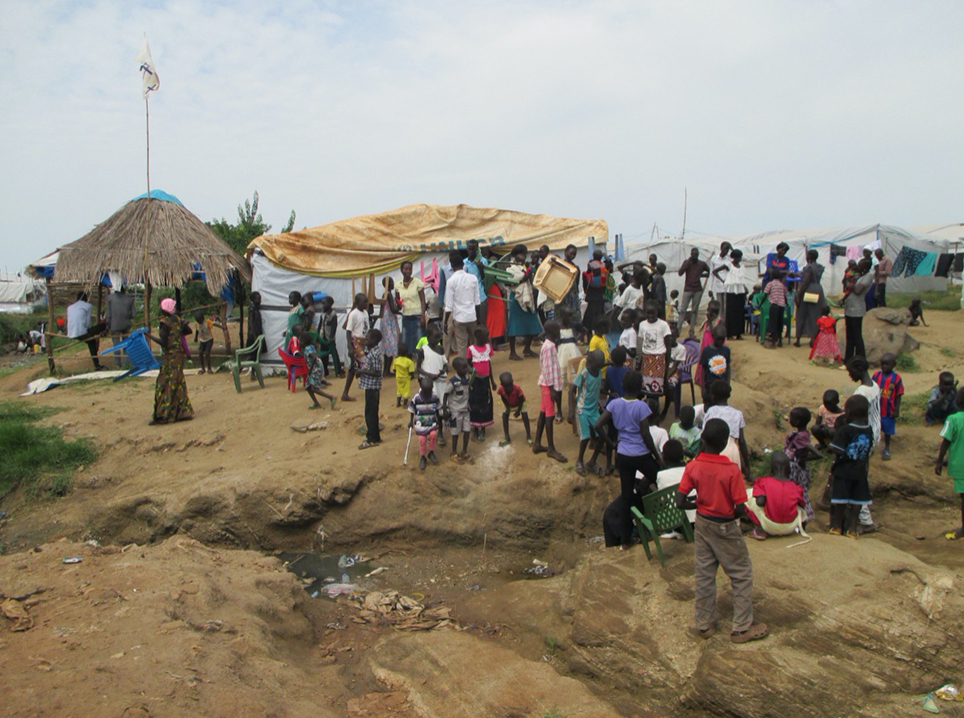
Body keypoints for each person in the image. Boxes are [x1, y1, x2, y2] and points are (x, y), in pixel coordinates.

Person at [676, 418, 768, 643]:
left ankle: (705, 624)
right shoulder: (731, 470)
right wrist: (734, 515)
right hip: (725, 525)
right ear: (725, 443)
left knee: (705, 574)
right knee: (741, 573)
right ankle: (741, 628)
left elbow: (679, 501)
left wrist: (697, 504)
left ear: (703, 439)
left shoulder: (693, 465)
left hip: (702, 523)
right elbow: (738, 507)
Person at [596, 370, 662, 549]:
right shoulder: (641, 406)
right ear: (640, 386)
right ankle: (665, 521)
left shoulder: (615, 404)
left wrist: (611, 443)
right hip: (641, 455)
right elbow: (646, 435)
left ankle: (626, 539)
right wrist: (657, 456)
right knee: (660, 478)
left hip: (623, 456)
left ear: (623, 386)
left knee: (626, 497)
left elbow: (598, 425)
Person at [828, 394, 874, 538]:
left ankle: (837, 527)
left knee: (840, 500)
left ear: (848, 412)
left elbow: (837, 449)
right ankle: (852, 529)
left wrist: (829, 444)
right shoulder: (868, 429)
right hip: (860, 471)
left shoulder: (845, 430)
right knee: (857, 502)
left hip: (843, 471)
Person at [848, 355, 881, 532]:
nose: (849, 375)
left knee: (857, 477)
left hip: (863, 438)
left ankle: (865, 521)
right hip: (874, 434)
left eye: (850, 371)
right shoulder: (874, 385)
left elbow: (853, 416)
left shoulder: (862, 392)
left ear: (859, 369)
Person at [148, 298, 193, 425]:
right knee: (178, 382)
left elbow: (163, 343)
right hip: (179, 355)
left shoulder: (165, 323)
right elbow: (188, 331)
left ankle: (165, 414)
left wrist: (149, 335)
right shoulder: (178, 320)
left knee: (164, 383)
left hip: (170, 357)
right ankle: (182, 412)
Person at [745, 451, 806, 541]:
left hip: (768, 526)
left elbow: (760, 502)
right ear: (789, 469)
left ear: (771, 468)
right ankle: (801, 530)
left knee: (747, 496)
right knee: (799, 508)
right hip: (790, 528)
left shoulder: (763, 481)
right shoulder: (795, 486)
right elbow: (802, 505)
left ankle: (759, 530)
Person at [532, 320, 567, 463]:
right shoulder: (548, 347)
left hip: (548, 385)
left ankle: (537, 444)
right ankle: (551, 448)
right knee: (549, 416)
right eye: (558, 329)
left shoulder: (550, 345)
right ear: (553, 332)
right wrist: (552, 389)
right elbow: (547, 368)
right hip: (548, 386)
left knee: (542, 413)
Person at [568, 349, 605, 476]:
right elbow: (571, 390)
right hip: (582, 409)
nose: (595, 368)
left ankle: (592, 462)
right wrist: (571, 411)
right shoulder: (584, 373)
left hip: (594, 409)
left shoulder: (599, 371)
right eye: (594, 366)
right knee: (585, 438)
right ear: (589, 362)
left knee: (602, 436)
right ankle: (579, 460)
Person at [703, 380, 750, 478]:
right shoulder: (738, 413)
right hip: (732, 451)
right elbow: (741, 441)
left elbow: (703, 437)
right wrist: (747, 465)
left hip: (714, 450)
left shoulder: (711, 411)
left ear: (713, 396)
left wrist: (699, 455)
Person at [935, 387, 964, 540]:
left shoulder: (952, 419)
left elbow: (945, 441)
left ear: (958, 401)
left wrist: (939, 461)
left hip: (961, 465)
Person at [443, 251, 481, 361]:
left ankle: (463, 369)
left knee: (462, 346)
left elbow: (449, 306)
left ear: (452, 265)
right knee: (475, 343)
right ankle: (478, 363)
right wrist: (478, 319)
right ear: (463, 265)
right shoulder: (473, 278)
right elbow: (477, 301)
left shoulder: (451, 281)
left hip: (459, 318)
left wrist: (445, 322)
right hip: (472, 316)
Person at [506, 244, 541, 360]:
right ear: (516, 255)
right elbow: (510, 282)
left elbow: (530, 278)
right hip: (516, 297)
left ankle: (527, 348)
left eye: (525, 254)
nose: (524, 256)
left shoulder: (524, 266)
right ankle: (512, 352)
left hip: (527, 298)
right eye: (522, 254)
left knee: (532, 321)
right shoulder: (510, 267)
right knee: (514, 325)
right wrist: (525, 276)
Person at [784, 407, 820, 521]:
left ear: (797, 422)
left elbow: (817, 454)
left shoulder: (801, 437)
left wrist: (803, 459)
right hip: (794, 466)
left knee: (800, 492)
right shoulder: (801, 434)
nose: (789, 419)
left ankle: (804, 517)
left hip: (797, 469)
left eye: (791, 417)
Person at [417, 324, 449, 447]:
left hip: (440, 383)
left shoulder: (440, 349)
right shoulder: (423, 350)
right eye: (435, 338)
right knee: (429, 409)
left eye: (438, 338)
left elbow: (445, 364)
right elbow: (418, 368)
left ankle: (440, 432)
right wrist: (429, 375)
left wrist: (442, 371)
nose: (437, 341)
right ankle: (429, 431)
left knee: (440, 409)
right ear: (428, 336)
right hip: (428, 384)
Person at [636, 300, 673, 404]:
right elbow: (640, 343)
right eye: (648, 313)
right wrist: (638, 361)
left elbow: (668, 346)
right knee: (646, 390)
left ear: (657, 312)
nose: (650, 315)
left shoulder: (663, 325)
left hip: (658, 360)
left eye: (653, 313)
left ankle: (654, 414)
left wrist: (667, 364)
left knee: (655, 392)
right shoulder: (642, 325)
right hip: (646, 360)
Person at [873, 352, 904, 461]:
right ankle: (873, 447)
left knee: (887, 431)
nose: (884, 367)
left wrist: (897, 409)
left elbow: (899, 395)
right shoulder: (876, 375)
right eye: (882, 364)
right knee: (875, 428)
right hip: (877, 409)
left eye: (887, 364)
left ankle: (887, 448)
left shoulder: (896, 378)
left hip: (888, 410)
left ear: (893, 365)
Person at [467, 326, 496, 442]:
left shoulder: (488, 348)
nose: (488, 338)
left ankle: (483, 427)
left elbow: (489, 364)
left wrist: (492, 380)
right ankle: (475, 428)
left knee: (485, 403)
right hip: (475, 381)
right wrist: (471, 370)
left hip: (485, 381)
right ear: (478, 337)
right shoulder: (471, 349)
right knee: (474, 403)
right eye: (486, 336)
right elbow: (468, 363)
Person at [656, 439, 694, 527]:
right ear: (682, 455)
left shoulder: (661, 475)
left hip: (677, 524)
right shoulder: (692, 470)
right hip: (696, 520)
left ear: (664, 457)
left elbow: (662, 501)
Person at [793, 249, 827, 346]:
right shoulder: (820, 267)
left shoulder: (808, 267)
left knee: (802, 314)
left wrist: (798, 295)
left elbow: (805, 281)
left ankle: (798, 339)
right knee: (815, 315)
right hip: (818, 290)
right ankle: (813, 338)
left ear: (809, 257)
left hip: (808, 290)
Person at [357, 328, 384, 450]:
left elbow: (378, 373)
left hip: (373, 388)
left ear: (374, 340)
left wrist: (362, 371)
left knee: (370, 413)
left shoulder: (375, 354)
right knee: (371, 412)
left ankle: (372, 438)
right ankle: (375, 436)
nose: (366, 340)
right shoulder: (372, 351)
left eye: (368, 338)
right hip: (370, 387)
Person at [340, 293, 369, 402]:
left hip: (363, 341)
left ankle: (346, 392)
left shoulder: (365, 313)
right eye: (364, 302)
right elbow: (348, 331)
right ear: (357, 303)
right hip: (356, 341)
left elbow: (366, 328)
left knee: (356, 367)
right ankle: (363, 387)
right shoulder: (353, 314)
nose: (366, 304)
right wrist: (350, 347)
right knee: (364, 363)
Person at [66, 291, 105, 370]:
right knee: (103, 326)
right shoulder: (88, 306)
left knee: (91, 340)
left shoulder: (69, 308)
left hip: (70, 333)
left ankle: (97, 365)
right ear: (86, 299)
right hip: (82, 332)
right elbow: (87, 324)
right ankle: (96, 365)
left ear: (77, 299)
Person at [843, 259, 873, 361]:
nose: (857, 266)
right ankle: (848, 359)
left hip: (857, 310)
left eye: (860, 265)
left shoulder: (868, 276)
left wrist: (849, 284)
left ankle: (860, 359)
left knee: (856, 336)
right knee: (849, 336)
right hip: (849, 309)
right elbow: (846, 283)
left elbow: (857, 290)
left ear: (865, 267)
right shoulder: (858, 275)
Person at [409, 377, 441, 470]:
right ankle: (422, 456)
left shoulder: (434, 397)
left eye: (429, 392)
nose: (427, 394)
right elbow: (411, 410)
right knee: (422, 440)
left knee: (433, 435)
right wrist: (411, 422)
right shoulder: (417, 398)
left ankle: (431, 452)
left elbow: (438, 409)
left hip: (431, 423)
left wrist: (438, 420)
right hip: (421, 425)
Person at [677, 248, 711, 338]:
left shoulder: (701, 264)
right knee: (683, 310)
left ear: (698, 254)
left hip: (697, 290)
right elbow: (680, 273)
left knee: (694, 311)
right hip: (687, 289)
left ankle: (691, 332)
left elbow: (709, 271)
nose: (694, 255)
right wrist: (688, 262)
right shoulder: (687, 262)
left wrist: (700, 276)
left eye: (696, 254)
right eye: (693, 253)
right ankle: (677, 331)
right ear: (690, 254)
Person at [444, 356, 472, 462]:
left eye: (466, 367)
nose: (466, 369)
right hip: (455, 411)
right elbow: (445, 394)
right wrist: (445, 409)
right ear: (457, 368)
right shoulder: (453, 381)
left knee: (467, 430)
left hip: (465, 409)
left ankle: (464, 451)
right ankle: (453, 452)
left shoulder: (467, 378)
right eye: (464, 367)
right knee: (455, 432)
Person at [301, 329, 337, 410]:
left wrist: (310, 370)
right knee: (308, 386)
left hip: (316, 369)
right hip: (316, 367)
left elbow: (314, 358)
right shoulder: (310, 347)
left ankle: (331, 397)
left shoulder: (307, 349)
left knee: (313, 388)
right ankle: (316, 403)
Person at [397, 260, 427, 352]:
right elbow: (398, 302)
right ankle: (408, 362)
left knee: (419, 340)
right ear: (401, 270)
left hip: (417, 316)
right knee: (406, 341)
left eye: (410, 269)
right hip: (406, 316)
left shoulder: (418, 283)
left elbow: (423, 300)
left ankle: (419, 362)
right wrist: (399, 304)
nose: (408, 271)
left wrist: (422, 316)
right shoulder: (397, 285)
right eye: (406, 269)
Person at [718, 249, 748, 340]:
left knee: (740, 312)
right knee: (731, 312)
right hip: (731, 290)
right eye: (738, 257)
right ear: (734, 257)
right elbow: (715, 271)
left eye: (740, 257)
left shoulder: (742, 266)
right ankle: (729, 334)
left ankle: (739, 333)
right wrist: (724, 280)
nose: (739, 259)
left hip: (740, 290)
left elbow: (741, 278)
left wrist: (744, 287)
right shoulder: (728, 265)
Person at [497, 371, 531, 446]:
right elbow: (502, 397)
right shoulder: (501, 389)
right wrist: (507, 407)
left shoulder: (517, 388)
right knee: (504, 416)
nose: (509, 389)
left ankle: (529, 436)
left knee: (525, 415)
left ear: (513, 382)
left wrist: (518, 411)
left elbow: (522, 399)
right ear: (502, 385)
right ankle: (507, 437)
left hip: (520, 403)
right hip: (509, 404)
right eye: (506, 387)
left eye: (510, 386)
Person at [105, 285, 136, 367]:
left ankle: (118, 364)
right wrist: (126, 316)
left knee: (116, 344)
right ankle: (126, 363)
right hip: (126, 324)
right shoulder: (129, 299)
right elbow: (134, 314)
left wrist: (107, 326)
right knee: (126, 343)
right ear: (124, 290)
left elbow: (108, 315)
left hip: (114, 325)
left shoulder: (110, 298)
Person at [699, 326, 730, 404]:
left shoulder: (726, 350)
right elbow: (703, 369)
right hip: (710, 386)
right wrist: (703, 388)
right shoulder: (707, 350)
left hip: (722, 386)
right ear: (713, 336)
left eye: (723, 339)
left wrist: (728, 384)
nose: (720, 341)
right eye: (718, 339)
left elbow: (728, 367)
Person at [555, 305, 583, 388]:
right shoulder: (557, 326)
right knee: (562, 367)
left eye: (571, 316)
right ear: (562, 316)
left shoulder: (573, 324)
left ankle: (573, 384)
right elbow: (543, 335)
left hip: (573, 350)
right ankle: (564, 384)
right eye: (568, 316)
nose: (570, 319)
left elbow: (584, 330)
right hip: (562, 351)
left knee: (574, 368)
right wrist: (555, 343)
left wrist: (576, 339)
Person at [582, 249, 609, 334]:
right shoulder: (604, 265)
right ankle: (598, 331)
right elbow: (609, 266)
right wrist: (606, 256)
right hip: (600, 293)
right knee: (599, 314)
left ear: (593, 256)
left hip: (592, 293)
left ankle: (588, 332)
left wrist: (586, 291)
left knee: (590, 315)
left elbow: (587, 277)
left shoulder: (590, 264)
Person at [464, 239, 489, 328]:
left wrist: (480, 269)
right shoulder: (464, 263)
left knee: (481, 324)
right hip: (468, 298)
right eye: (469, 249)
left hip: (480, 296)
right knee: (470, 326)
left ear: (477, 249)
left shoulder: (483, 261)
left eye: (473, 249)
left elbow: (486, 281)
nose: (471, 251)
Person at [379, 277, 401, 376]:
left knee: (388, 344)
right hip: (389, 321)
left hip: (386, 320)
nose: (393, 284)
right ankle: (386, 370)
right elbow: (393, 309)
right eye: (392, 282)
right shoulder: (388, 295)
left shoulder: (386, 294)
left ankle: (386, 370)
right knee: (391, 344)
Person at [318, 296, 342, 377]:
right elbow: (320, 324)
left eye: (324, 304)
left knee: (334, 353)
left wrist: (331, 336)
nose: (323, 305)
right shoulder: (323, 313)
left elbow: (334, 326)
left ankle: (339, 370)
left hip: (329, 337)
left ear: (330, 304)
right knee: (323, 355)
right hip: (322, 336)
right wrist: (318, 335)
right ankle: (325, 370)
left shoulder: (333, 314)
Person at [763, 270, 787, 348]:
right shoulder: (782, 285)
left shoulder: (770, 284)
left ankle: (773, 343)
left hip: (774, 306)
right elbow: (784, 295)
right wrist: (786, 304)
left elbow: (765, 295)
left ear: (771, 276)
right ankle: (780, 341)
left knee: (773, 323)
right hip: (781, 306)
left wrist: (760, 304)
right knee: (779, 323)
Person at [391, 342, 416, 407]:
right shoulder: (409, 361)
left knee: (399, 389)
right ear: (407, 352)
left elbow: (394, 370)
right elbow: (411, 371)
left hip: (398, 377)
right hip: (406, 378)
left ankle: (398, 403)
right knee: (406, 390)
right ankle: (405, 404)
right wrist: (412, 376)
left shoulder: (396, 360)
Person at [193, 309, 217, 374]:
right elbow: (197, 330)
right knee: (200, 353)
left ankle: (209, 368)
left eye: (200, 321)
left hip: (209, 339)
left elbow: (214, 324)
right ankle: (203, 368)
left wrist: (222, 326)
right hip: (202, 340)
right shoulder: (197, 324)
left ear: (203, 319)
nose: (200, 323)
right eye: (198, 322)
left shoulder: (207, 322)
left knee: (207, 353)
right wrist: (195, 338)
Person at [588, 317, 612, 383]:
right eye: (608, 327)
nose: (609, 329)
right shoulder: (594, 341)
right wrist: (610, 363)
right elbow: (591, 359)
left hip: (606, 372)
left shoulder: (603, 337)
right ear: (602, 328)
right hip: (600, 374)